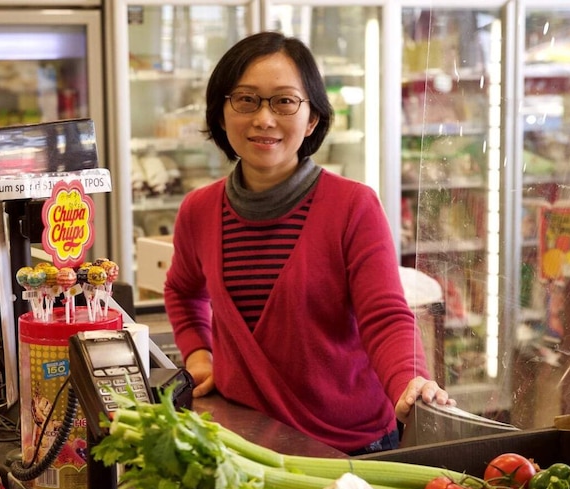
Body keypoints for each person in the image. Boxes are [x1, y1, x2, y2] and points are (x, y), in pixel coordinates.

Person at [163, 31, 453, 455]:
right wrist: (198, 355)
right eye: (246, 100)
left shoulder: (353, 206)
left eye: (284, 101)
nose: (264, 119)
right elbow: (182, 290)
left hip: (352, 447)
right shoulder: (199, 210)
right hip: (247, 443)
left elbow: (384, 315)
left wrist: (410, 380)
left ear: (312, 118)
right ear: (221, 114)